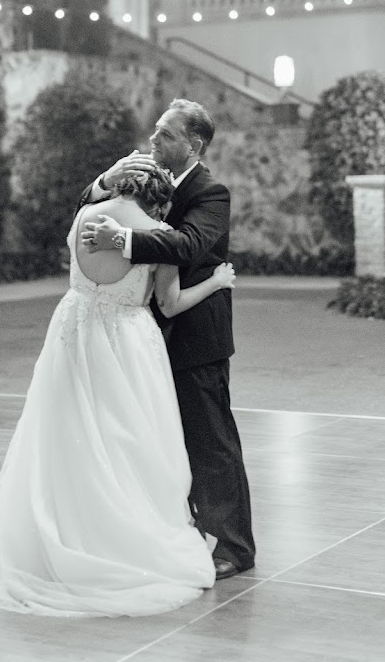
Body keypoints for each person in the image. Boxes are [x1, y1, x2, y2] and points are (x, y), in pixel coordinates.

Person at [0, 165, 234, 617]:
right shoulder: (157, 234)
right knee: (125, 441)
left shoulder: (86, 215)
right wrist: (216, 282)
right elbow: (169, 303)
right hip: (126, 344)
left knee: (65, 434)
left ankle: (57, 534)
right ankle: (114, 539)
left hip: (73, 332)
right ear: (160, 202)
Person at [79, 99, 255, 581]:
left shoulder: (210, 193)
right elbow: (88, 209)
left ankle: (235, 546)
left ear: (193, 145)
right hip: (147, 337)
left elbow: (188, 245)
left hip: (196, 336)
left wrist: (123, 240)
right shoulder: (146, 181)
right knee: (164, 441)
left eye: (166, 134)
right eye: (156, 131)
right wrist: (106, 181)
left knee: (211, 442)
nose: (153, 140)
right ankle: (185, 531)